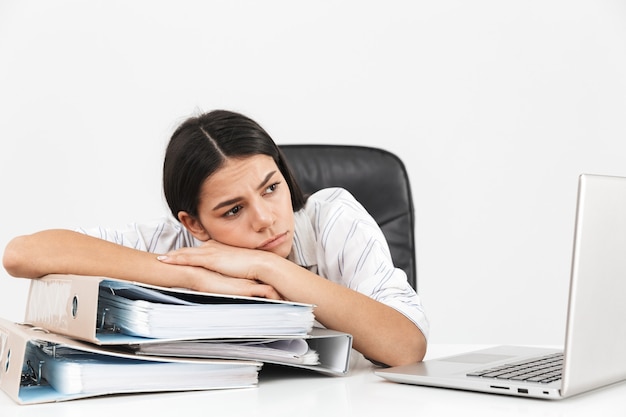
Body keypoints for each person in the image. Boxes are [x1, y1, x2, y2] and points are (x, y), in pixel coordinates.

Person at [2, 110, 428, 366]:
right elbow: (23, 254)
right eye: (234, 210)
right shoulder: (175, 243)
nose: (265, 219)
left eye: (271, 187)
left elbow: (406, 346)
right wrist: (188, 278)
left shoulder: (332, 218)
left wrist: (269, 266)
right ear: (196, 224)